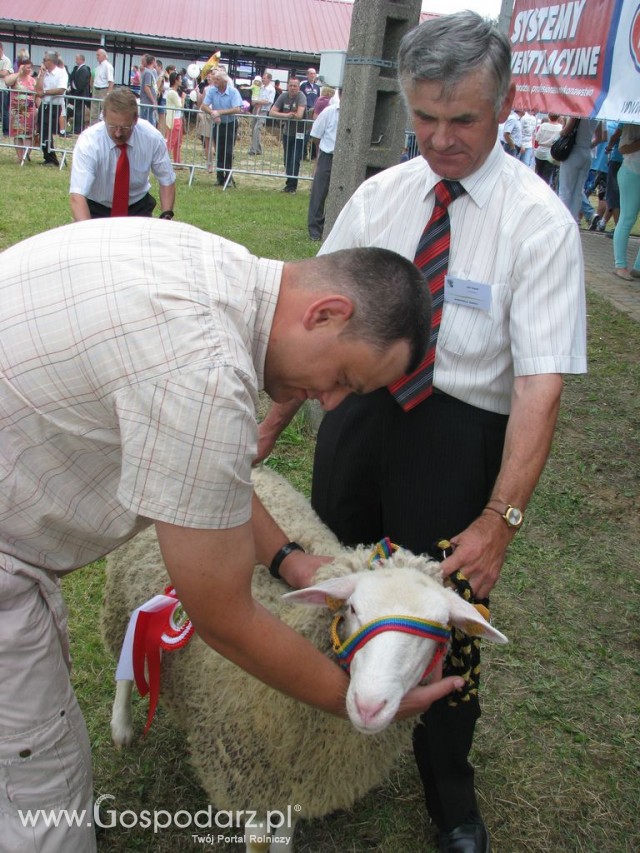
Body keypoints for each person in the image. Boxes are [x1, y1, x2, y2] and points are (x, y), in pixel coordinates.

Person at [0, 219, 462, 852]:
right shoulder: (208, 375)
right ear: (326, 314)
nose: (330, 403)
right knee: (38, 771)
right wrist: (351, 699)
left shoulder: (208, 264)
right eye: (345, 380)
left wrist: (289, 559)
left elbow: (204, 469)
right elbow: (222, 617)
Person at [257, 12, 587, 853]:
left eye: (463, 121)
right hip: (359, 421)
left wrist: (498, 518)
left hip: (459, 440)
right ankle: (320, 750)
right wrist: (268, 424)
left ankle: (448, 793)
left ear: (507, 104)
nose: (440, 139)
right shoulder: (379, 195)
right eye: (426, 118)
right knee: (335, 590)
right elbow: (311, 321)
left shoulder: (539, 223)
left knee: (445, 621)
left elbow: (537, 386)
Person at [69, 88, 176, 220]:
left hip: (138, 207)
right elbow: (77, 197)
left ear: (135, 119)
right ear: (104, 116)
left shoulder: (152, 138)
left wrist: (166, 216)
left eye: (125, 127)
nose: (118, 133)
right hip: (97, 207)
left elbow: (167, 180)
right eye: (112, 126)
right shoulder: (89, 142)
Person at [201, 69, 243, 186]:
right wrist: (213, 113)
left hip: (230, 123)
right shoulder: (212, 91)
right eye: (214, 79)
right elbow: (203, 106)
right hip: (218, 124)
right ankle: (220, 178)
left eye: (217, 79)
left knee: (228, 151)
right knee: (219, 151)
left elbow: (237, 109)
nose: (214, 81)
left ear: (224, 81)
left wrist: (220, 113)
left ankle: (228, 178)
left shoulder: (233, 92)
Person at [307, 97, 340, 241]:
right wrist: (321, 153)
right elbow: (316, 135)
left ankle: (333, 228)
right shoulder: (329, 112)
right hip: (328, 155)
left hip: (346, 156)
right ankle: (315, 230)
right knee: (319, 194)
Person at [558, 116, 600, 221]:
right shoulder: (599, 114)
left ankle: (562, 220)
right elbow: (601, 137)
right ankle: (573, 220)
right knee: (578, 192)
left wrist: (562, 127)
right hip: (586, 153)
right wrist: (588, 145)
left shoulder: (579, 111)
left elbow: (566, 131)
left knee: (565, 190)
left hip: (573, 151)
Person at [612, 123, 640, 280]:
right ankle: (620, 265)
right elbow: (622, 148)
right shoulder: (633, 121)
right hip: (631, 172)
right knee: (628, 218)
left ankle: (638, 267)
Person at [270, 76, 307, 193]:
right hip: (287, 132)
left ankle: (292, 186)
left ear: (298, 87)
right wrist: (286, 115)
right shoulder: (283, 96)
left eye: (295, 86)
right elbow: (271, 112)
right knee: (287, 159)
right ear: (287, 86)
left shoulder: (301, 96)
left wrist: (291, 114)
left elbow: (300, 115)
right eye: (290, 85)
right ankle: (289, 183)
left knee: (295, 159)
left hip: (299, 133)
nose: (292, 88)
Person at [34, 51, 67, 167]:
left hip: (55, 106)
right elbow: (37, 89)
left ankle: (52, 159)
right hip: (45, 104)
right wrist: (41, 75)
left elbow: (61, 89)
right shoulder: (44, 73)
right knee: (42, 131)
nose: (42, 63)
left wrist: (45, 92)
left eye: (44, 60)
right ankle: (48, 157)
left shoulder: (61, 73)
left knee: (48, 131)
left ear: (51, 61)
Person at [5, 58, 37, 163]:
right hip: (17, 110)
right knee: (17, 134)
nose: (29, 69)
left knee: (29, 134)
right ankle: (20, 157)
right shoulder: (16, 77)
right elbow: (7, 81)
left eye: (29, 67)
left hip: (30, 110)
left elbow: (37, 95)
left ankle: (25, 156)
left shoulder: (33, 80)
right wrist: (19, 72)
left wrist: (39, 107)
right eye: (26, 67)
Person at [248, 71, 275, 155]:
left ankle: (254, 150)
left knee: (257, 129)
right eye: (263, 78)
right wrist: (254, 101)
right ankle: (258, 149)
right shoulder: (260, 87)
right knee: (254, 129)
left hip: (264, 111)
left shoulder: (271, 89)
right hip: (256, 109)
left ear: (269, 79)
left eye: (264, 78)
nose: (263, 79)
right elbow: (256, 95)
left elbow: (269, 101)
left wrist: (257, 101)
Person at [533, 112, 563, 186]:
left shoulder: (543, 125)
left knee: (538, 173)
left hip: (540, 151)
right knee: (547, 175)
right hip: (551, 153)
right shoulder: (560, 127)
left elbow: (537, 139)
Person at [67, 53, 92, 134]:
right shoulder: (78, 69)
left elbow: (81, 84)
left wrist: (75, 89)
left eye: (77, 59)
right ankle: (76, 128)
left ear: (81, 60)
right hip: (77, 93)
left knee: (79, 112)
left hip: (81, 94)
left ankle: (78, 129)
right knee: (77, 111)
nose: (75, 60)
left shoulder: (84, 69)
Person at [165, 70, 185, 164]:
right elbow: (180, 105)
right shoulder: (172, 93)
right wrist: (183, 98)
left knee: (178, 142)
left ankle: (177, 161)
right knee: (171, 141)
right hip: (174, 119)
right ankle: (164, 159)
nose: (181, 81)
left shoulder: (174, 92)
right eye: (180, 79)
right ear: (176, 81)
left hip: (177, 118)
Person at [90, 48, 114, 124]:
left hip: (104, 90)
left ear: (104, 55)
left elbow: (111, 81)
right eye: (97, 55)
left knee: (104, 110)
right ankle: (93, 127)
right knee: (94, 111)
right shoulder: (98, 67)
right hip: (96, 89)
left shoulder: (108, 66)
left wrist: (108, 93)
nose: (97, 56)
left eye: (98, 55)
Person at [139, 53, 158, 126]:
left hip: (149, 103)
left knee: (150, 123)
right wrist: (153, 101)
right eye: (155, 61)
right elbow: (146, 88)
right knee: (147, 125)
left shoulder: (150, 72)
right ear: (153, 61)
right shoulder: (148, 73)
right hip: (147, 103)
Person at [0, 41, 14, 135]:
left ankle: (6, 131)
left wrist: (3, 72)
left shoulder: (6, 60)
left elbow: (4, 73)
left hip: (2, 89)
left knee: (4, 111)